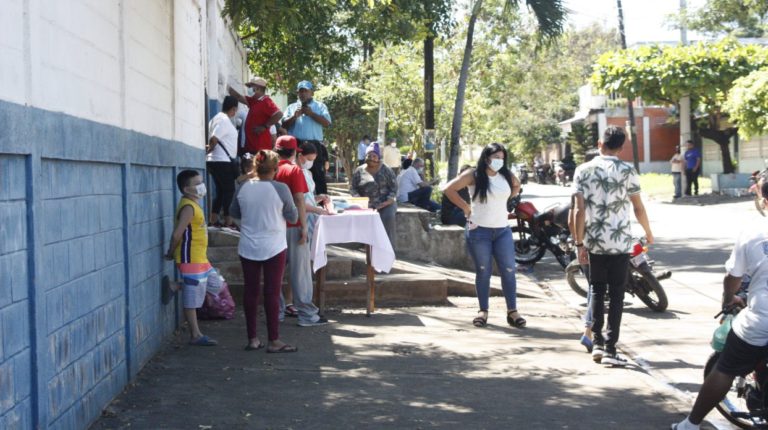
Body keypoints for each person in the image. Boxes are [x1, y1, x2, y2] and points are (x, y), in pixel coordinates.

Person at [671, 181, 768, 430]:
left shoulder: (754, 233)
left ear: (764, 201)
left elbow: (733, 278)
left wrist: (728, 299)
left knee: (725, 368)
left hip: (760, 321)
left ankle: (690, 425)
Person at [572, 126, 654, 367]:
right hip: (620, 241)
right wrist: (648, 232)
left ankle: (596, 343)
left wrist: (579, 243)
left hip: (593, 241)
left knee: (597, 290)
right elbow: (638, 207)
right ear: (621, 147)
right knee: (617, 294)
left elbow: (579, 211)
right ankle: (609, 348)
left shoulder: (583, 170)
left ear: (600, 144)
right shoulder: (628, 170)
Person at [442, 143, 524, 329]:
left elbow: (517, 185)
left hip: (502, 230)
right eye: (496, 157)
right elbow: (449, 189)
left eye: (502, 158)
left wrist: (505, 200)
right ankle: (483, 311)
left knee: (509, 270)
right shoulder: (474, 175)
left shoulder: (506, 174)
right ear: (486, 157)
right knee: (483, 270)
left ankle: (513, 311)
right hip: (479, 231)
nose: (499, 161)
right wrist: (465, 207)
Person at [230, 150, 299, 353]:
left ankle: (252, 338)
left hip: (248, 245)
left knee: (250, 292)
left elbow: (233, 214)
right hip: (274, 246)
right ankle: (274, 340)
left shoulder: (243, 187)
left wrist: (247, 226)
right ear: (276, 169)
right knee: (272, 291)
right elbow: (293, 217)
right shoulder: (281, 188)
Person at [273, 135, 328, 327]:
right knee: (300, 272)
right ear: (296, 151)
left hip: (272, 227)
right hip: (293, 225)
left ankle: (277, 312)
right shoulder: (293, 170)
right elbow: (299, 201)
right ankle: (307, 314)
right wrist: (304, 227)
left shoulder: (267, 170)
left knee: (275, 273)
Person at [164, 170, 217, 346]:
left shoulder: (194, 204)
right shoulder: (188, 207)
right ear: (187, 189)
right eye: (197, 183)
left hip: (200, 258)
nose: (201, 186)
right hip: (191, 259)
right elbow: (177, 234)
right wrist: (171, 252)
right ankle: (195, 334)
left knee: (217, 285)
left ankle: (176, 286)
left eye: (201, 181)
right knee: (193, 298)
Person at [282, 80, 332, 194]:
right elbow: (283, 125)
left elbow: (327, 123)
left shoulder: (320, 106)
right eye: (300, 91)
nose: (303, 94)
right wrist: (294, 117)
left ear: (312, 93)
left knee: (318, 175)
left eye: (306, 91)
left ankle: (322, 204)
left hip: (314, 145)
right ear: (297, 93)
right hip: (296, 145)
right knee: (295, 173)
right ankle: (296, 201)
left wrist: (312, 114)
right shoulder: (292, 107)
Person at [350, 142, 398, 246]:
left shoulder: (386, 170)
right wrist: (358, 199)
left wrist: (386, 202)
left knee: (388, 217)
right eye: (369, 155)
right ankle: (366, 246)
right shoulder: (359, 170)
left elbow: (394, 188)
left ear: (378, 157)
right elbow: (353, 188)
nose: (371, 158)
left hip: (386, 204)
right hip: (365, 205)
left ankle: (387, 248)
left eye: (374, 156)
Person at [206, 95, 239, 229]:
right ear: (233, 109)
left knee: (221, 191)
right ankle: (228, 221)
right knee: (229, 190)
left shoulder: (216, 118)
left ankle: (214, 220)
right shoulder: (223, 120)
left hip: (218, 160)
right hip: (221, 160)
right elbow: (214, 138)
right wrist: (209, 150)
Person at [228, 77, 282, 154]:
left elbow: (279, 114)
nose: (249, 89)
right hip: (251, 147)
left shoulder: (266, 101)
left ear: (258, 88)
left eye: (250, 86)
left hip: (260, 149)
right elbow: (239, 97)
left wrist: (265, 126)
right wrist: (227, 87)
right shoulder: (254, 101)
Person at [297, 141, 331, 244]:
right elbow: (298, 201)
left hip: (311, 217)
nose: (310, 163)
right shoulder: (295, 173)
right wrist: (317, 210)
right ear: (300, 156)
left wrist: (319, 197)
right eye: (308, 159)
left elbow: (308, 197)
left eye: (313, 160)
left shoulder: (308, 173)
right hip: (300, 218)